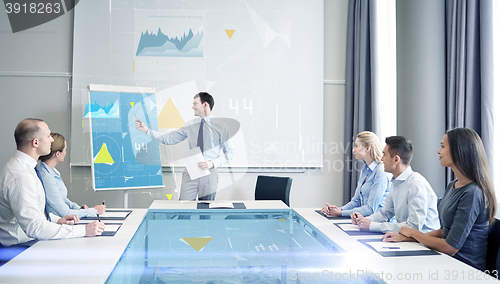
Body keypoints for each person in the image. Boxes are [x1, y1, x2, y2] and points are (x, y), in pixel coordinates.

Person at [383, 128, 497, 271]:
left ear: (458, 150)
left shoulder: (473, 193)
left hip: (463, 268)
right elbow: (444, 231)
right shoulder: (453, 185)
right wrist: (409, 238)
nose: (438, 151)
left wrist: (413, 233)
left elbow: (450, 247)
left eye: (443, 146)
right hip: (445, 260)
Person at [0, 119, 105, 247]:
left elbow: (32, 212)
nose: (52, 140)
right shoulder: (20, 177)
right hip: (18, 249)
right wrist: (84, 230)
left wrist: (56, 220)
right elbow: (34, 227)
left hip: (28, 242)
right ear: (36, 142)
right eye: (48, 136)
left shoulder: (26, 168)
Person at [135, 92, 234, 201]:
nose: (192, 107)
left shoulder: (221, 126)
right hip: (191, 172)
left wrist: (212, 163)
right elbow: (169, 139)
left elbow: (230, 153)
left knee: (206, 211)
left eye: (195, 104)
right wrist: (146, 130)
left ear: (205, 105)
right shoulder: (190, 125)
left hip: (209, 174)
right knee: (183, 208)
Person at [351, 136, 440, 233]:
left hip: (423, 244)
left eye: (384, 154)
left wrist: (372, 226)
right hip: (407, 239)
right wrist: (366, 220)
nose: (381, 158)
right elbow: (385, 213)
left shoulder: (416, 185)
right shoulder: (395, 182)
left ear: (396, 160)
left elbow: (413, 227)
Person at [322, 131, 389, 217]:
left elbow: (370, 209)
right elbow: (356, 201)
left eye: (356, 146)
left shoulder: (381, 171)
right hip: (365, 220)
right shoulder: (365, 169)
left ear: (367, 148)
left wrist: (340, 213)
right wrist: (339, 209)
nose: (353, 149)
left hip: (379, 223)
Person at [38, 133, 106, 218]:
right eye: (65, 150)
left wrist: (78, 208)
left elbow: (63, 200)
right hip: (56, 223)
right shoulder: (46, 177)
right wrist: (94, 210)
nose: (66, 153)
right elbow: (65, 213)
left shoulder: (52, 172)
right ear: (57, 154)